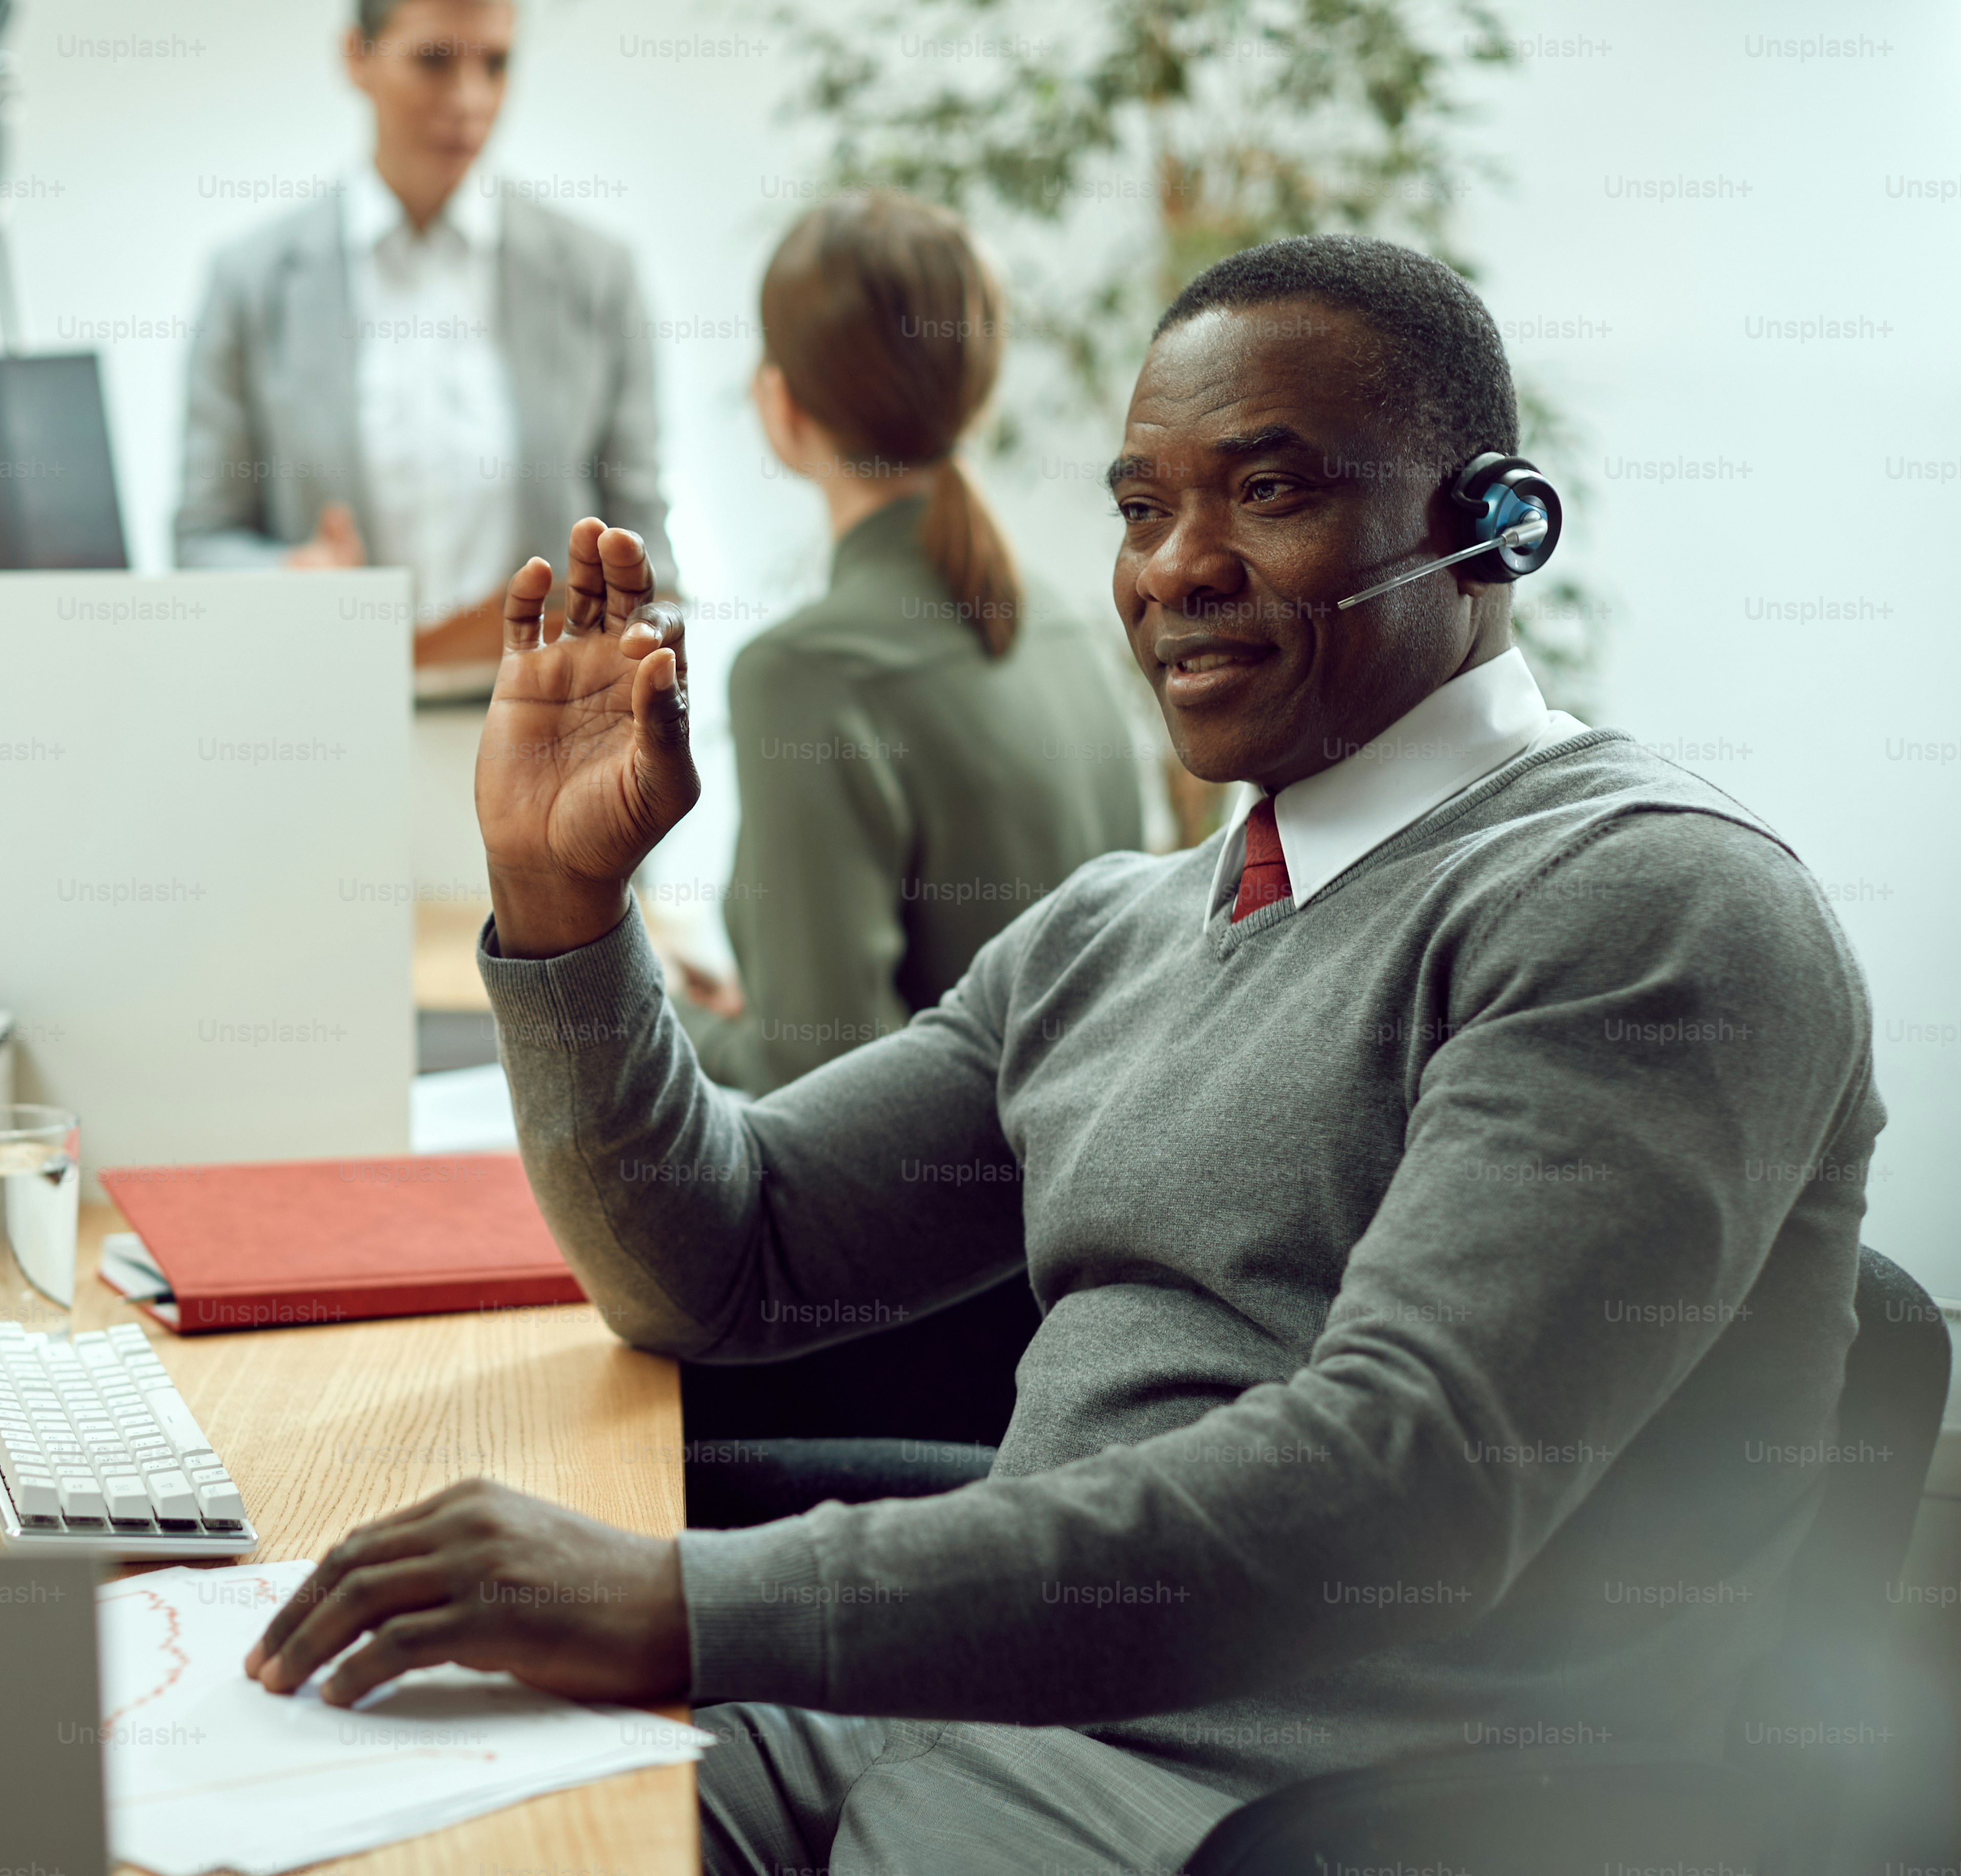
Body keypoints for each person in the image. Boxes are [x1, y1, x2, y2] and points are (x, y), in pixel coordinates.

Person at [240, 236, 1883, 1874]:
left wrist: (677, 1604)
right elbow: (720, 1266)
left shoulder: (1649, 903)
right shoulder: (1117, 933)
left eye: (1271, 491)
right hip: (941, 1725)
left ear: (1489, 527)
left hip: (1269, 1815)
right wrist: (561, 902)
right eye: (1142, 507)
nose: (1177, 566)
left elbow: (1396, 1486)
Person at [673, 192, 1146, 1095]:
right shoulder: (1066, 628)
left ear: (780, 406)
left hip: (934, 1229)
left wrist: (661, 1016)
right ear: (976, 392)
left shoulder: (803, 672)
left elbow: (822, 1084)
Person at [173, 0, 676, 682]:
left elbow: (648, 552)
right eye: (434, 60)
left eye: (495, 64)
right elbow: (201, 542)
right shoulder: (252, 281)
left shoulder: (595, 275)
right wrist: (291, 576)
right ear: (357, 57)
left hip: (552, 732)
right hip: (331, 714)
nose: (469, 99)